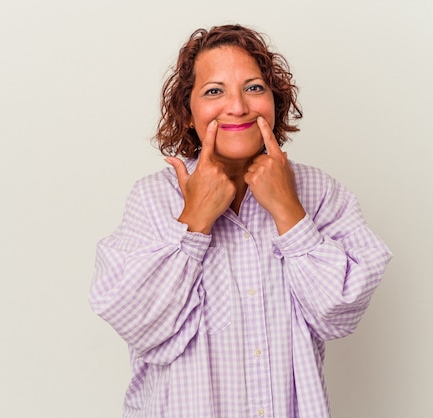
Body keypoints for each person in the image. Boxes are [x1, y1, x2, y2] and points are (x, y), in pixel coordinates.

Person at [89, 24, 392, 418]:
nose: (237, 107)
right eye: (214, 91)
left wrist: (289, 212)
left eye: (253, 87)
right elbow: (136, 321)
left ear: (274, 101)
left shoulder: (319, 192)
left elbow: (339, 313)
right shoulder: (153, 198)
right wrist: (194, 220)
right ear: (187, 112)